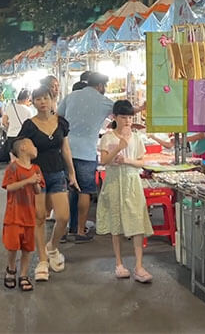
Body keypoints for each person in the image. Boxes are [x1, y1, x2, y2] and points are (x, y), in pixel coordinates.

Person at [16, 86, 77, 281]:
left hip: (58, 172)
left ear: (52, 100)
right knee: (39, 217)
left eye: (46, 98)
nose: (42, 102)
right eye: (38, 99)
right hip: (36, 175)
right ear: (32, 102)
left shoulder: (61, 123)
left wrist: (72, 173)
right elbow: (21, 149)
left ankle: (53, 246)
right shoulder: (29, 125)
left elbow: (65, 149)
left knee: (63, 216)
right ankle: (42, 259)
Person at [97, 100, 154, 283]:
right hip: (114, 181)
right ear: (115, 117)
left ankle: (138, 266)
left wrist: (127, 161)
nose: (128, 121)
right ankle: (119, 263)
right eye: (124, 117)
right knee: (116, 222)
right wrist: (118, 150)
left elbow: (141, 162)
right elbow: (104, 161)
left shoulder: (137, 138)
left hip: (132, 181)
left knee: (137, 221)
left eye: (130, 117)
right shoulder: (108, 137)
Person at [57, 72, 114, 242]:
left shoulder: (71, 96)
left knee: (67, 190)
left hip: (65, 148)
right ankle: (80, 231)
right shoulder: (104, 101)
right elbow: (124, 110)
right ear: (100, 86)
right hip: (87, 153)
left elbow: (58, 118)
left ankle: (63, 230)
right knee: (85, 191)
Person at [2, 137, 44, 292]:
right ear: (23, 148)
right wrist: (28, 181)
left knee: (27, 247)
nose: (36, 148)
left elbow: (38, 191)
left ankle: (24, 274)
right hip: (14, 214)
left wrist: (35, 183)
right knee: (12, 246)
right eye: (33, 144)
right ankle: (11, 268)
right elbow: (9, 187)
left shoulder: (36, 169)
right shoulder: (13, 168)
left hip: (29, 214)